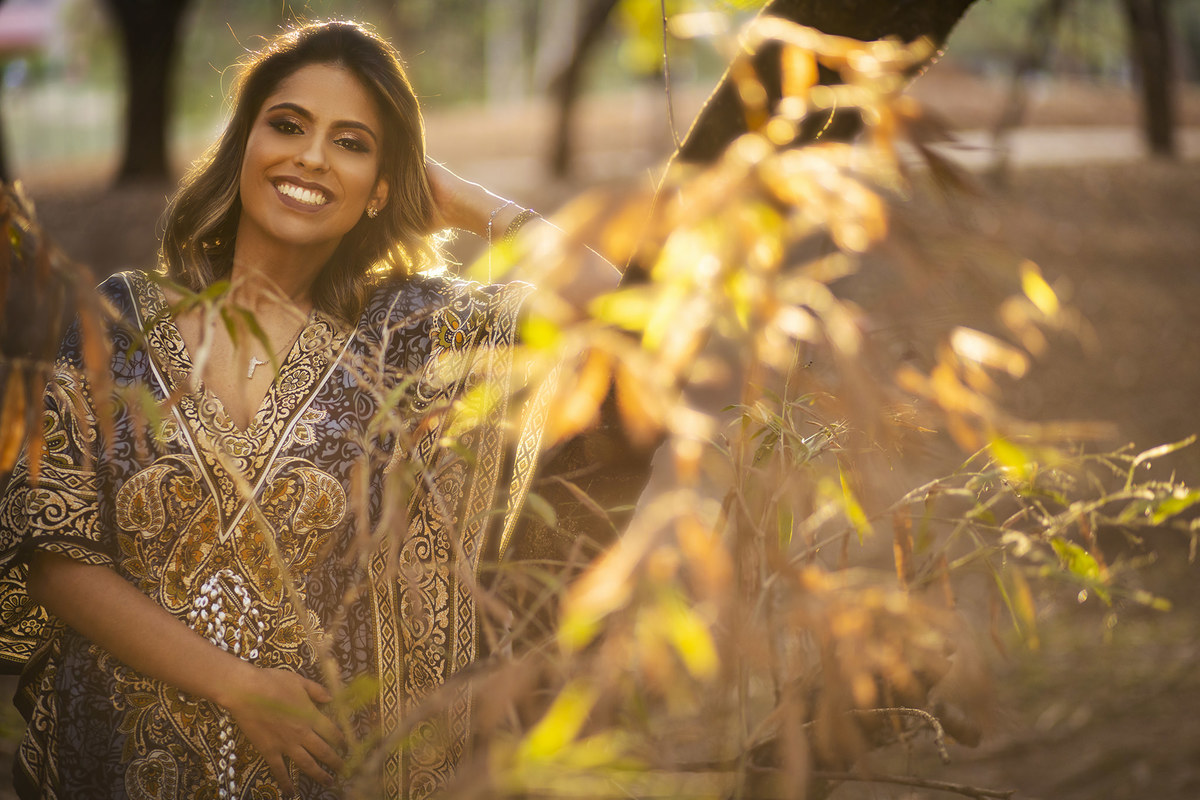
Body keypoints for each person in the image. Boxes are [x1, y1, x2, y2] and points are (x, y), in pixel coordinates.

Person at [0, 19, 617, 799]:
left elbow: (610, 303)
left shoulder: (408, 336)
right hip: (123, 762)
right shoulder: (121, 324)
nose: (312, 156)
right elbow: (55, 553)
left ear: (382, 190)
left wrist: (467, 201)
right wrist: (235, 684)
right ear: (244, 146)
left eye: (352, 143)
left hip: (329, 775)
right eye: (287, 125)